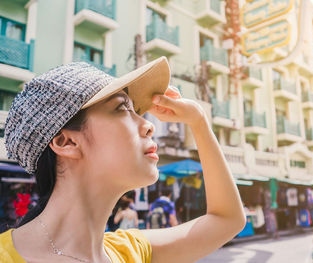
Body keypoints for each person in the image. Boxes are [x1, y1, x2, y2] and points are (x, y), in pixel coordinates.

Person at [0, 56, 245, 263]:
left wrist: (199, 121)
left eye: (136, 111)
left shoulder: (128, 252)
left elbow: (228, 219)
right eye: (121, 109)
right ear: (67, 142)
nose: (149, 125)